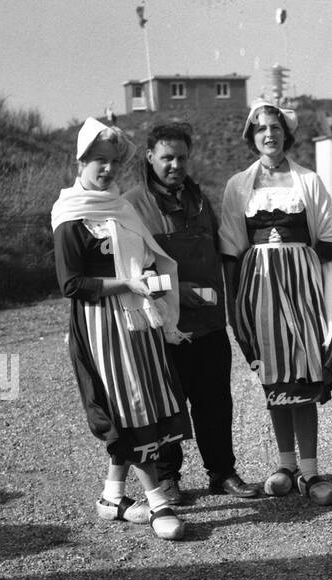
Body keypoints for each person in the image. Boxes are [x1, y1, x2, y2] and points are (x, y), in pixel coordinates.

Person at [51, 118, 190, 541]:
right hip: (100, 324)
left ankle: (113, 496)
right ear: (81, 160)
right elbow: (71, 283)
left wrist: (147, 279)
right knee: (129, 407)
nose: (107, 169)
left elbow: (144, 259)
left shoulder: (120, 207)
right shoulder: (70, 213)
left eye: (113, 162)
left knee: (145, 399)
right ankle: (158, 503)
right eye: (98, 160)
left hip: (137, 318)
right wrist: (125, 283)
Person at [124, 123, 260, 505]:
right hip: (162, 325)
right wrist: (174, 290)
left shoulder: (199, 200)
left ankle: (222, 473)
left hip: (209, 323)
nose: (175, 165)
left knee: (215, 402)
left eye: (182, 157)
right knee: (167, 404)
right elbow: (128, 268)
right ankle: (168, 479)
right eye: (167, 157)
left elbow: (223, 249)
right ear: (150, 157)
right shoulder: (132, 204)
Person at [220, 100, 332, 506]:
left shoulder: (308, 181)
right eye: (260, 130)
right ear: (251, 137)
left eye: (274, 128)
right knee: (274, 376)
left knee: (304, 374)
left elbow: (330, 236)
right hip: (260, 290)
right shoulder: (239, 185)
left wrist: (296, 260)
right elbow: (233, 246)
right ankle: (285, 465)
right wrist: (239, 298)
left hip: (302, 289)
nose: (268, 135)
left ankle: (310, 471)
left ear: (286, 135)